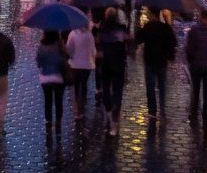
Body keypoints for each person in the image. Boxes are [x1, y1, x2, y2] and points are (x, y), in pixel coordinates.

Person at [136, 9, 178, 119]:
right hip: (162, 61)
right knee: (162, 86)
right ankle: (162, 108)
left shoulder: (148, 27)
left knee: (150, 87)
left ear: (151, 14)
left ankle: (152, 111)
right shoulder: (165, 28)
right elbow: (173, 42)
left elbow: (138, 39)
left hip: (150, 60)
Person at [95, 8, 129, 137]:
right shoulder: (121, 29)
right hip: (118, 65)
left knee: (106, 93)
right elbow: (128, 42)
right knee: (117, 93)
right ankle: (114, 120)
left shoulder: (101, 29)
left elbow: (97, 45)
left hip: (106, 66)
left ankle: (109, 118)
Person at [36, 30, 68, 134]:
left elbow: (39, 63)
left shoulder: (41, 46)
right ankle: (58, 121)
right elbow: (66, 57)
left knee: (48, 100)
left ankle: (48, 120)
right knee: (59, 101)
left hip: (46, 77)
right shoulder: (59, 45)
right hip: (59, 77)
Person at [66, 21, 96, 122]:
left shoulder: (72, 34)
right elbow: (93, 50)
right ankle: (82, 108)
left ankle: (77, 110)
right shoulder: (89, 35)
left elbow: (69, 49)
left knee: (76, 87)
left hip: (75, 65)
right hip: (87, 65)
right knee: (84, 86)